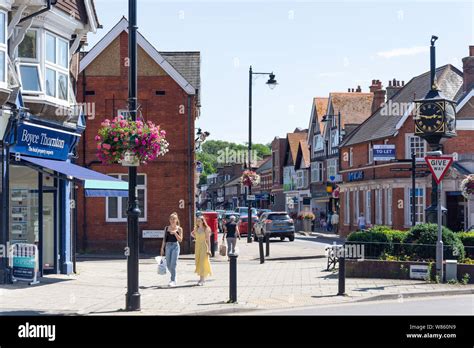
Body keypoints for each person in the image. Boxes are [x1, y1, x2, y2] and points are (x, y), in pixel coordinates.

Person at [160, 212, 183, 287]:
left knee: (173, 264)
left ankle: (173, 280)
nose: (172, 220)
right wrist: (162, 248)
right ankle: (174, 275)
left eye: (174, 219)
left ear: (177, 220)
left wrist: (175, 233)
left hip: (175, 246)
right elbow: (164, 239)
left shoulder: (179, 229)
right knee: (168, 264)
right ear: (169, 220)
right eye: (171, 219)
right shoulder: (166, 228)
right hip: (168, 246)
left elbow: (180, 240)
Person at [191, 216, 212, 286]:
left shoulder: (206, 229)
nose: (198, 222)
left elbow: (208, 241)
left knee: (202, 262)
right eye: (197, 221)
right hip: (197, 246)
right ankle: (201, 278)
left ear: (203, 221)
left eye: (199, 221)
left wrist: (209, 249)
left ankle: (202, 279)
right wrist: (196, 237)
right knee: (198, 262)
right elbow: (192, 234)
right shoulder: (196, 228)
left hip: (203, 246)